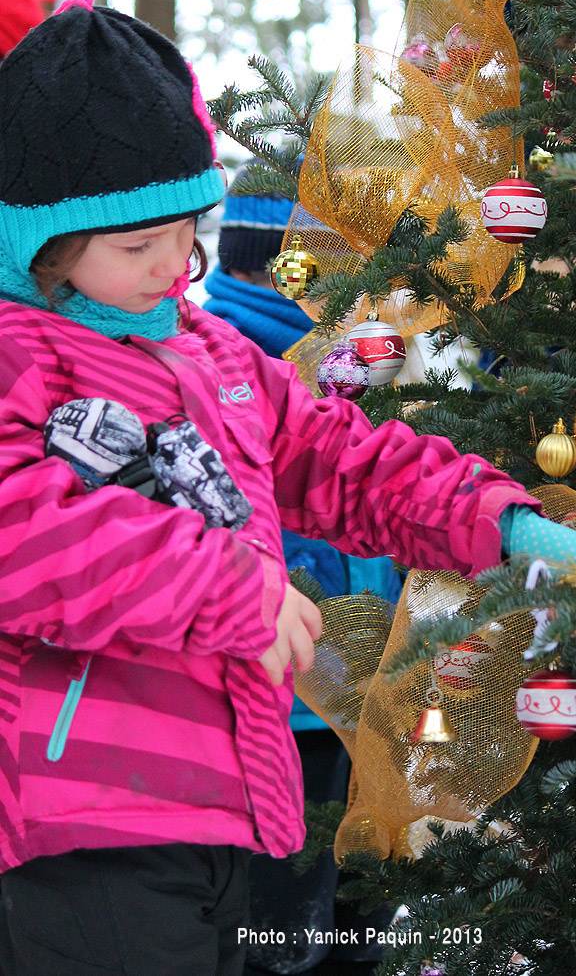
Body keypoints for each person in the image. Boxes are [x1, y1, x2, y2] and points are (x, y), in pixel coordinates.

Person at [0, 0, 576, 976]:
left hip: (233, 806)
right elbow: (25, 534)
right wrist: (226, 588)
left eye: (184, 231)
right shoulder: (23, 358)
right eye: (133, 246)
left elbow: (341, 460)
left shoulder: (216, 357)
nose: (171, 265)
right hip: (89, 815)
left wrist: (497, 517)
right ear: (43, 242)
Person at [205, 179, 400, 975]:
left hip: (371, 702)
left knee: (363, 924)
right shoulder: (224, 360)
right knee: (281, 937)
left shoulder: (356, 365)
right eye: (334, 262)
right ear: (278, 266)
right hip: (283, 718)